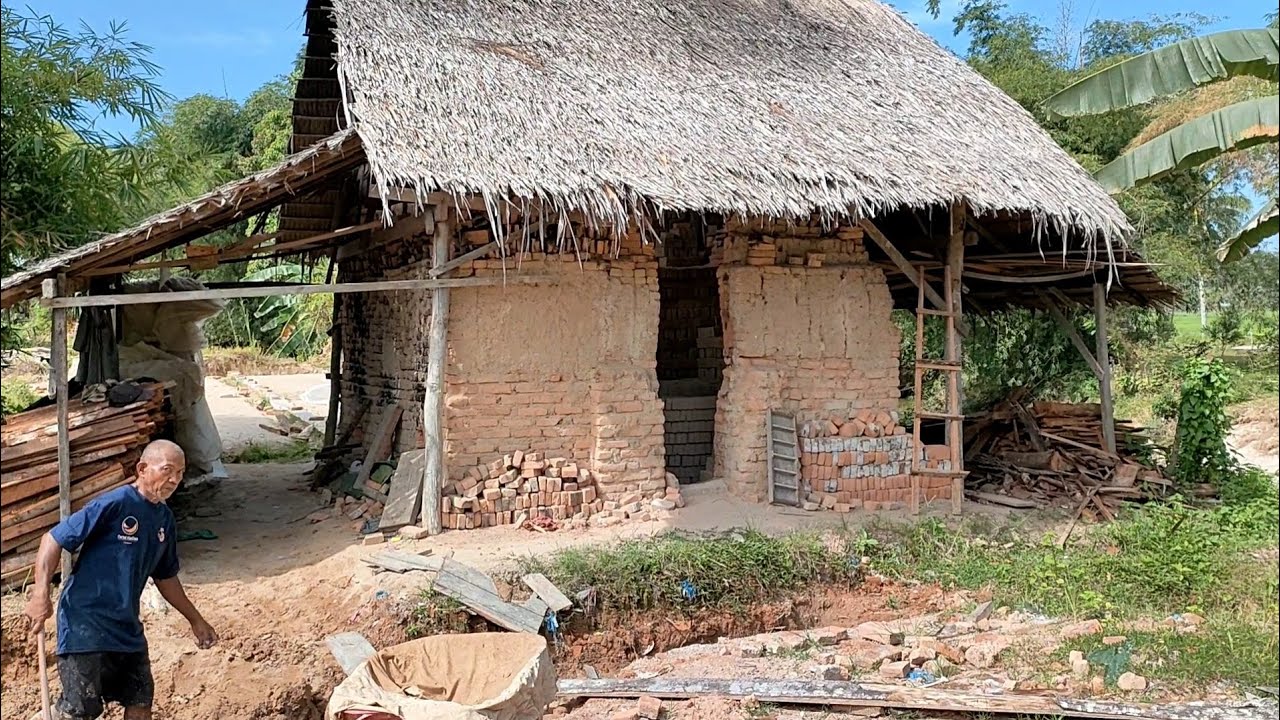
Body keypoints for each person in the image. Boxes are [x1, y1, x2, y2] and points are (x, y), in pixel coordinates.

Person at [23, 439, 217, 720]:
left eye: (180, 472)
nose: (175, 479)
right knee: (81, 710)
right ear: (142, 468)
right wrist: (41, 593)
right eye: (167, 470)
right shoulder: (114, 504)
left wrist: (195, 619)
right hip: (85, 624)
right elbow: (52, 539)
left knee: (140, 702)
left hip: (127, 629)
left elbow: (166, 578)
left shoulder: (164, 520)